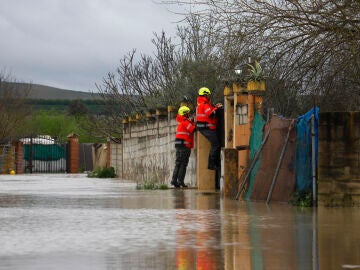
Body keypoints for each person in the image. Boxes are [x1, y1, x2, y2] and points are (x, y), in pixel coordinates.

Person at [195, 87, 223, 171]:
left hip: (205, 127)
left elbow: (210, 110)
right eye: (208, 95)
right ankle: (211, 164)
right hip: (207, 128)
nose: (209, 96)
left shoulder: (202, 103)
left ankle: (215, 164)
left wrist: (214, 107)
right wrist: (217, 108)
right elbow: (211, 114)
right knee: (216, 145)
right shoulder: (204, 104)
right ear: (205, 95)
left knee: (216, 145)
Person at [171, 106, 196, 188]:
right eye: (188, 113)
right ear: (185, 114)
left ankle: (174, 181)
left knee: (178, 163)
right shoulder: (185, 121)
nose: (189, 114)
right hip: (184, 145)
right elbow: (193, 129)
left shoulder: (181, 121)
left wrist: (191, 122)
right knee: (183, 164)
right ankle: (180, 181)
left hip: (179, 145)